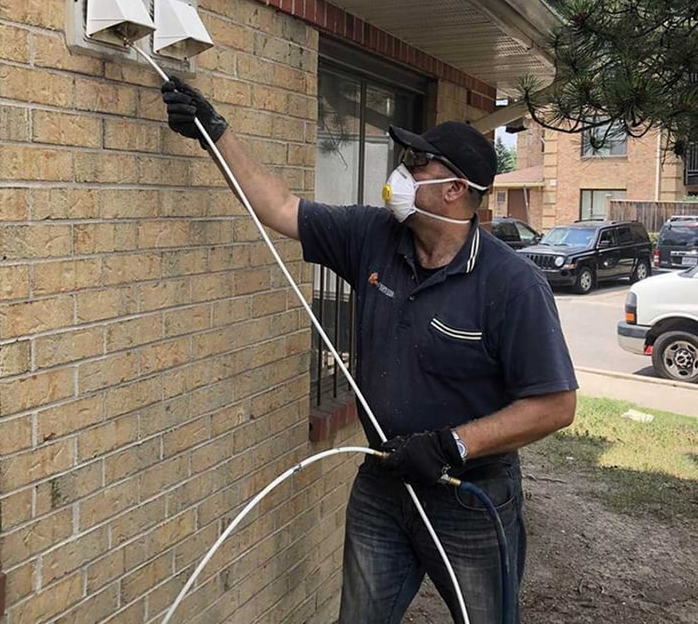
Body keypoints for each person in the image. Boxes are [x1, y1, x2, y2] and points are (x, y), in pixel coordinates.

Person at [161, 77, 578, 624]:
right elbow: (280, 207)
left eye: (417, 164)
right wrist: (213, 134)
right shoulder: (373, 236)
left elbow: (555, 404)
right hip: (384, 482)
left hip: (469, 497)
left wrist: (454, 443)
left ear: (455, 189)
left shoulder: (512, 285)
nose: (401, 173)